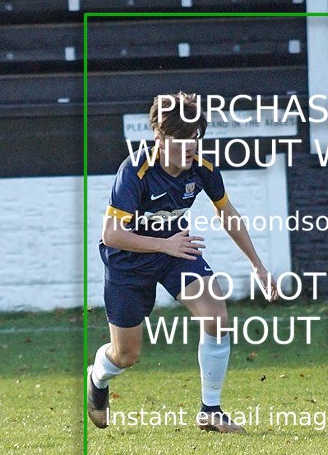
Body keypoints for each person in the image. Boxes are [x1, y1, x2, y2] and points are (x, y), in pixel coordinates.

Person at [88, 92, 278, 433]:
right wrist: (164, 244)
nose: (190, 146)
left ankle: (211, 410)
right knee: (126, 355)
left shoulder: (203, 169)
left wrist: (257, 265)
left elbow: (227, 213)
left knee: (216, 316)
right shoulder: (135, 171)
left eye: (194, 137)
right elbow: (111, 235)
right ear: (159, 138)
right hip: (128, 262)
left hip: (174, 253)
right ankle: (97, 379)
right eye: (181, 139)